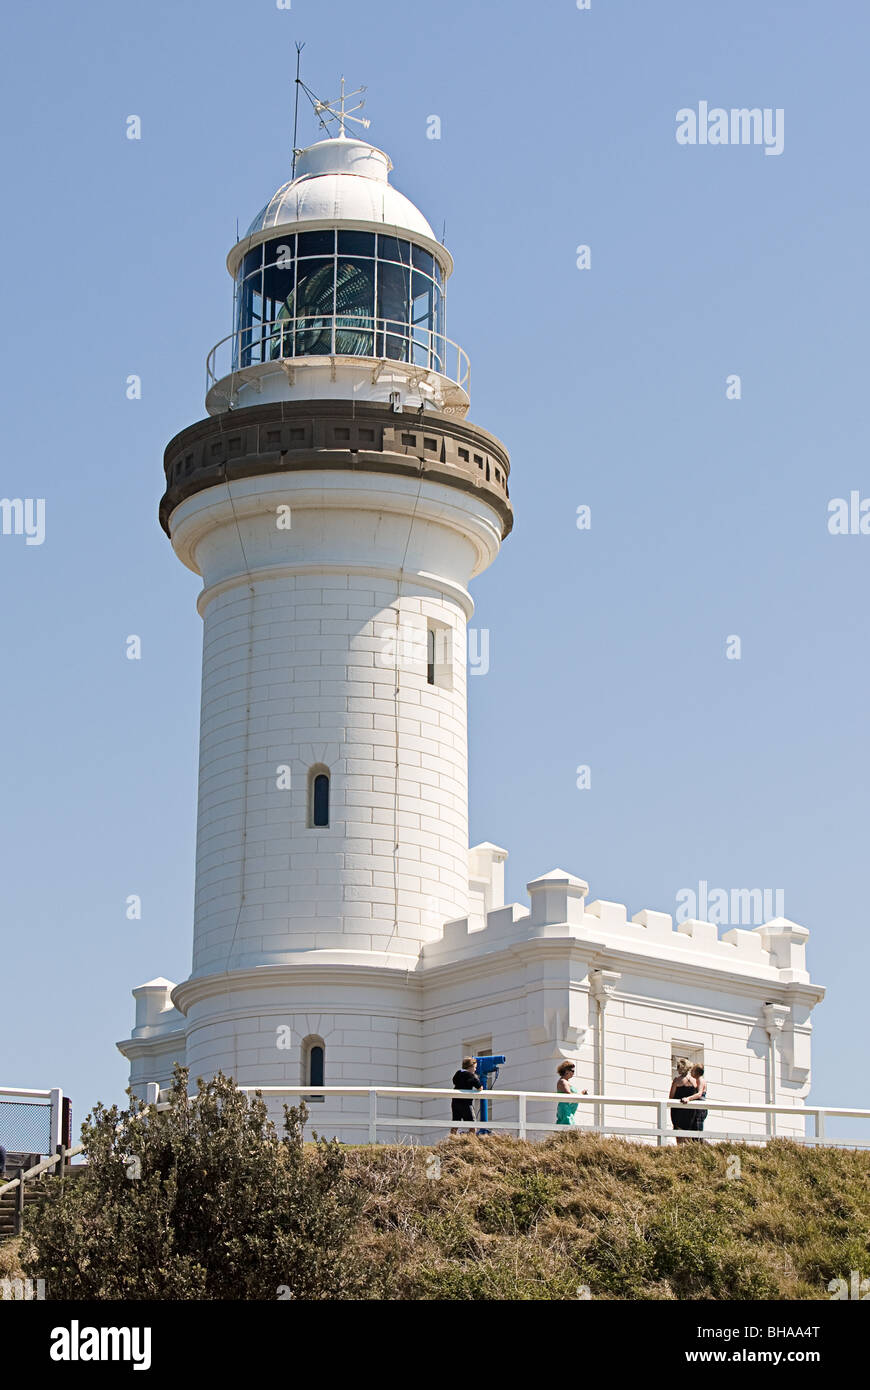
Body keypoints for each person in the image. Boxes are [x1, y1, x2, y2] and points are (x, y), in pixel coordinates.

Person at [450, 1056, 482, 1135]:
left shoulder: (458, 1073)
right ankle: (467, 1138)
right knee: (473, 1126)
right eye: (474, 1067)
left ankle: (452, 1138)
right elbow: (479, 1087)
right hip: (466, 1103)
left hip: (455, 1102)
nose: (475, 1070)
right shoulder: (470, 1075)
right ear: (470, 1067)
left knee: (455, 1124)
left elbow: (454, 1081)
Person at [669, 1058, 697, 1144]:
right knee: (689, 1137)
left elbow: (671, 1097)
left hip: (678, 1111)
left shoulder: (677, 1081)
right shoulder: (694, 1081)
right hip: (691, 1111)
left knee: (679, 1137)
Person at [555, 1061, 588, 1126]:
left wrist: (581, 1094)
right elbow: (569, 1094)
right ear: (566, 1071)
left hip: (569, 1109)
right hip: (565, 1108)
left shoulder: (566, 1081)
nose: (573, 1073)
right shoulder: (563, 1081)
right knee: (567, 1126)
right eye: (572, 1071)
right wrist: (580, 1095)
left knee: (568, 1126)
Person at [687, 1064, 708, 1136]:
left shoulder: (700, 1080)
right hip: (698, 1108)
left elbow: (699, 1094)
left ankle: (699, 1144)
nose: (691, 1072)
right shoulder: (697, 1080)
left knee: (697, 1128)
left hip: (700, 1109)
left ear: (696, 1072)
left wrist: (688, 1098)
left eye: (692, 1070)